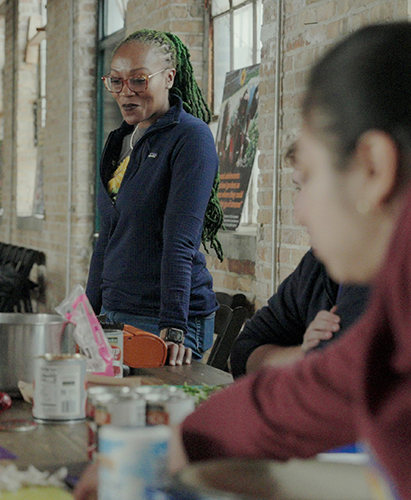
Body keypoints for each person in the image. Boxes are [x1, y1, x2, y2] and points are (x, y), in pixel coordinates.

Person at [75, 22, 411, 500]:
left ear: (374, 168)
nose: (299, 210)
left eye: (307, 178)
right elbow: (318, 388)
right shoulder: (392, 303)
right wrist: (183, 442)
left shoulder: (189, 138)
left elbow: (181, 240)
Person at [86, 30, 223, 366]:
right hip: (115, 311)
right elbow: (108, 237)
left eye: (138, 80)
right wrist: (88, 314)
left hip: (165, 317)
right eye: (116, 81)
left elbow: (180, 240)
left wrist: (174, 325)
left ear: (169, 78)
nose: (125, 93)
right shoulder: (119, 141)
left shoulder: (191, 137)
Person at [229, 144, 370, 377]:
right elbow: (243, 353)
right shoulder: (316, 265)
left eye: (311, 186)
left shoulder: (385, 276)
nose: (299, 213)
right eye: (298, 189)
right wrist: (304, 354)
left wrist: (314, 358)